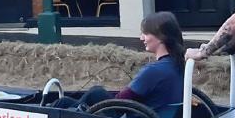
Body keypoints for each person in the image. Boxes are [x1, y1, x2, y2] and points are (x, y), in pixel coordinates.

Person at [51, 11, 184, 111]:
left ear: (161, 37)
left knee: (91, 94)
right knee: (77, 99)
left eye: (146, 33)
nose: (141, 38)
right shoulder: (177, 65)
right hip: (151, 117)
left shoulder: (154, 71)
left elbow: (121, 100)